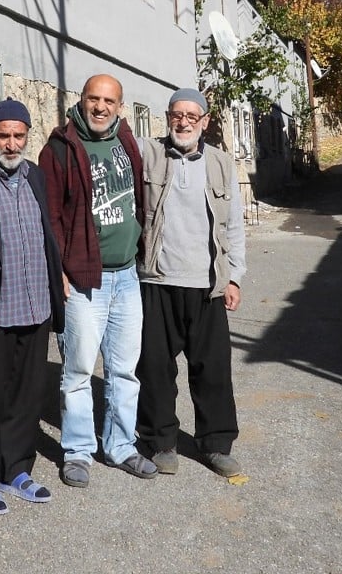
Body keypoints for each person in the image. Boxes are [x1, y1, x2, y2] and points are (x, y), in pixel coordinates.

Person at [39, 73, 153, 488]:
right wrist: (59, 272)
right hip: (85, 280)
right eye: (93, 99)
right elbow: (49, 217)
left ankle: (121, 446)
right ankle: (78, 451)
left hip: (127, 277)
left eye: (109, 100)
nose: (100, 107)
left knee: (125, 371)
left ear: (120, 106)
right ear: (81, 100)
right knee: (79, 370)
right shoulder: (59, 149)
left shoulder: (127, 141)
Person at [136, 88, 247, 478]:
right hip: (157, 279)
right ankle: (161, 440)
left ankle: (216, 444)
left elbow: (234, 226)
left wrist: (234, 276)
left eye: (191, 116)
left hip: (207, 283)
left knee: (213, 369)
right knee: (154, 368)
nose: (183, 122)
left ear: (205, 121)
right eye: (175, 115)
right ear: (167, 118)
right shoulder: (147, 154)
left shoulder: (220, 163)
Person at [0, 97, 64, 515]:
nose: (10, 144)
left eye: (18, 136)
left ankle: (18, 469)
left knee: (28, 392)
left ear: (28, 136)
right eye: (3, 135)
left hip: (36, 301)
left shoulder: (36, 176)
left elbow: (46, 232)